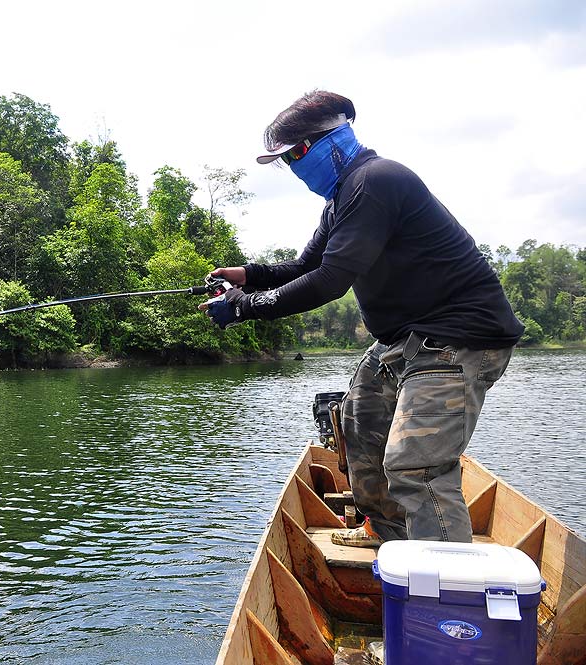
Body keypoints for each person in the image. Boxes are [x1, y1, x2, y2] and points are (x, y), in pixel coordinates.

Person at [200, 90, 524, 547]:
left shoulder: (375, 181)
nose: (294, 167)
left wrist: (242, 306)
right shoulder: (341, 201)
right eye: (284, 161)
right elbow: (305, 267)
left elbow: (330, 280)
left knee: (416, 465)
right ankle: (385, 531)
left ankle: (450, 585)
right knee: (360, 426)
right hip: (403, 341)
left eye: (297, 153)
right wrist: (247, 277)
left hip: (459, 337)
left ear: (334, 137)